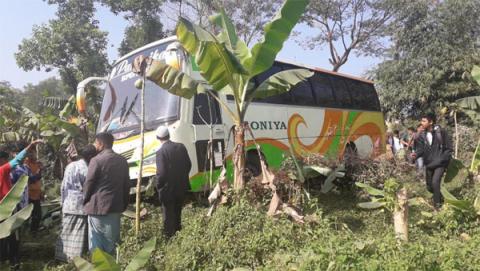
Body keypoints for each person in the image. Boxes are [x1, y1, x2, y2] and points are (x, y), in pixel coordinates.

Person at [83, 133, 129, 256]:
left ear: (101, 144)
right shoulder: (122, 160)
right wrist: (124, 204)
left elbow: (89, 183)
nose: (94, 145)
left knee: (97, 245)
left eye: (95, 142)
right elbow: (126, 185)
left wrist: (85, 200)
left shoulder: (96, 160)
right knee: (111, 245)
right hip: (115, 207)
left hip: (97, 207)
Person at [0, 140, 43, 270]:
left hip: (7, 208)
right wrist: (31, 145)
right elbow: (18, 160)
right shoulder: (3, 170)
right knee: (13, 236)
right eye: (5, 159)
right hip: (7, 210)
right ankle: (13, 261)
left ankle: (5, 260)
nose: (7, 162)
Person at [55, 145, 97, 262]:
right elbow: (89, 189)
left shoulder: (71, 166)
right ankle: (75, 259)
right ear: (90, 156)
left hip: (68, 204)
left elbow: (64, 186)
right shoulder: (88, 169)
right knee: (78, 234)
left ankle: (63, 257)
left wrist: (63, 202)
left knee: (66, 231)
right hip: (80, 206)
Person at [155, 126, 192, 238]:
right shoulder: (181, 147)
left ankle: (169, 238)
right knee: (177, 212)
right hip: (181, 187)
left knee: (168, 215)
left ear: (158, 137)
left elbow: (161, 173)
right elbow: (188, 165)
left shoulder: (161, 152)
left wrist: (158, 185)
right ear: (169, 135)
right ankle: (178, 234)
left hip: (167, 189)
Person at [411, 113, 452, 209]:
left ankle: (437, 207)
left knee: (435, 182)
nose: (421, 123)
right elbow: (421, 149)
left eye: (424, 121)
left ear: (431, 122)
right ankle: (440, 197)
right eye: (421, 121)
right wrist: (415, 155)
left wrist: (443, 159)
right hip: (429, 163)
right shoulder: (422, 135)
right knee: (429, 186)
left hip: (440, 163)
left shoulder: (441, 132)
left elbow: (449, 148)